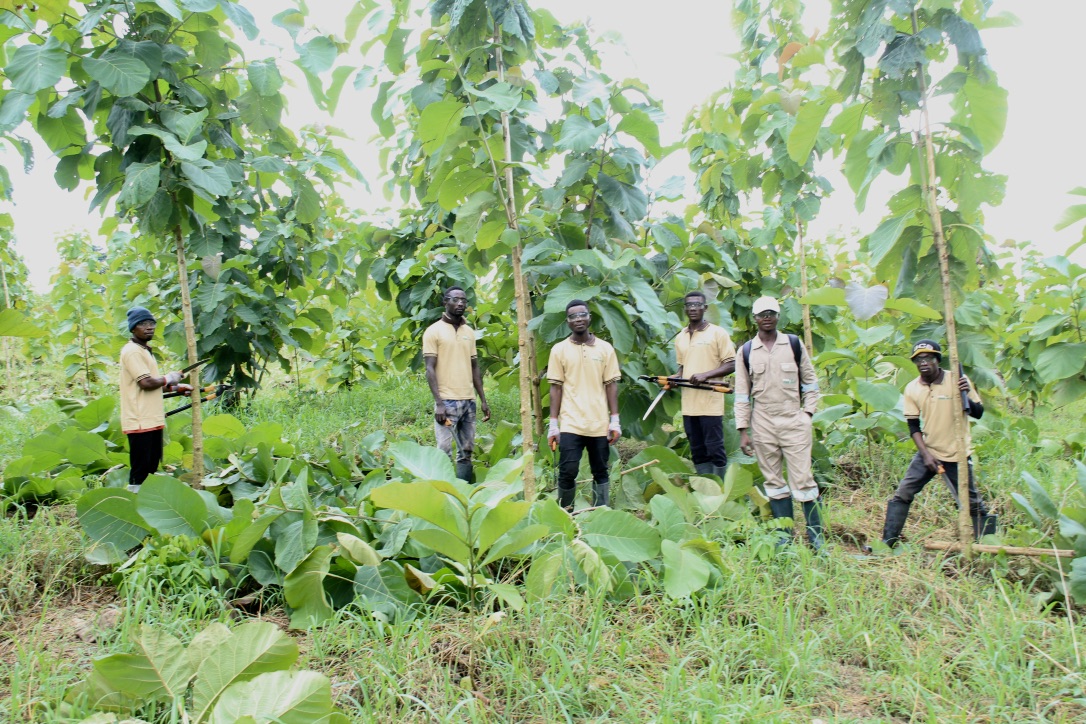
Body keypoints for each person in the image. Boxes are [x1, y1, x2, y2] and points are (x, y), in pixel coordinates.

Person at [873, 340, 996, 549]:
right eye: (919, 359)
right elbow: (913, 426)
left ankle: (988, 545)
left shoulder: (957, 380)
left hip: (957, 454)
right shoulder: (912, 388)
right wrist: (926, 455)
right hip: (929, 451)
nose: (924, 363)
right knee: (903, 494)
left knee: (972, 503)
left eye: (928, 358)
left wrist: (966, 393)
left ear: (937, 360)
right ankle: (888, 542)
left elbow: (978, 413)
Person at [734, 296, 824, 550]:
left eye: (771, 313)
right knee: (773, 481)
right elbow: (742, 394)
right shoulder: (746, 351)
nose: (767, 318)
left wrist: (807, 414)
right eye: (762, 314)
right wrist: (743, 430)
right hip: (762, 423)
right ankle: (784, 537)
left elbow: (811, 383)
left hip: (793, 421)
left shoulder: (793, 344)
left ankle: (816, 539)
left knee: (804, 480)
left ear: (777, 316)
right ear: (755, 318)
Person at [547, 299, 622, 511]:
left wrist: (614, 420)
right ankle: (565, 514)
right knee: (568, 470)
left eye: (582, 315)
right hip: (571, 421)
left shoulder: (605, 349)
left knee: (600, 470)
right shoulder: (559, 350)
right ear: (567, 322)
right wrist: (554, 424)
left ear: (589, 317)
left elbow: (611, 386)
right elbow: (556, 388)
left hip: (598, 422)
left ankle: (601, 514)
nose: (578, 319)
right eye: (573, 316)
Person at [423, 286, 491, 483]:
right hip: (447, 401)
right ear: (445, 302)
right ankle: (444, 494)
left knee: (466, 450)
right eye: (455, 299)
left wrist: (483, 400)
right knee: (444, 451)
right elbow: (430, 369)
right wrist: (439, 403)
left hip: (468, 401)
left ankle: (464, 493)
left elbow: (475, 367)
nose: (460, 303)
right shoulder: (433, 331)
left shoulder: (469, 332)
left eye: (463, 300)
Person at [120, 307, 188, 491]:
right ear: (133, 328)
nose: (149, 327)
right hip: (140, 419)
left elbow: (154, 384)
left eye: (151, 323)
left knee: (151, 466)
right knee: (141, 470)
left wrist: (176, 387)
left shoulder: (144, 350)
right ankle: (134, 502)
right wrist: (168, 378)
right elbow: (146, 383)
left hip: (151, 419)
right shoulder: (133, 351)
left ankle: (147, 503)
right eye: (143, 324)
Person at [672, 290, 736, 479]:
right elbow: (683, 367)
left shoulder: (718, 333)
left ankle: (721, 488)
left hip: (710, 403)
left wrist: (706, 375)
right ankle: (706, 487)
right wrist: (676, 378)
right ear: (685, 309)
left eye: (697, 305)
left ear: (705, 308)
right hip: (689, 405)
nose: (693, 309)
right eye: (689, 305)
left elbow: (731, 363)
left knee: (715, 447)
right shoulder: (681, 336)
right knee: (697, 449)